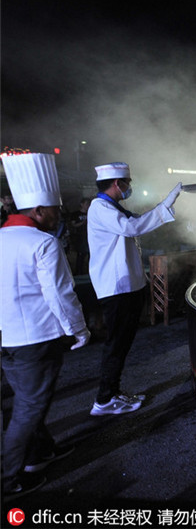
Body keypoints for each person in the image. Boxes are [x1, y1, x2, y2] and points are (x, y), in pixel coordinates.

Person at [0, 153, 91, 498]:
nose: (60, 214)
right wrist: (79, 330)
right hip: (35, 339)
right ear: (38, 211)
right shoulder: (43, 242)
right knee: (27, 408)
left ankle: (41, 453)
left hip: (8, 338)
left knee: (28, 400)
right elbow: (60, 294)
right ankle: (9, 480)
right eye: (55, 208)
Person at [87, 162, 182, 415]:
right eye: (128, 182)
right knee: (116, 344)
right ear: (118, 184)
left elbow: (135, 223)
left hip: (125, 287)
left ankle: (113, 393)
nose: (130, 187)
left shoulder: (112, 208)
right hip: (117, 289)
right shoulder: (101, 208)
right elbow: (133, 227)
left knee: (121, 343)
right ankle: (105, 399)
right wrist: (165, 206)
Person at [70, 197, 91, 275]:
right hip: (80, 237)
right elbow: (73, 225)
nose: (88, 206)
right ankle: (79, 272)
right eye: (86, 204)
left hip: (89, 237)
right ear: (82, 204)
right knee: (81, 255)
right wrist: (83, 223)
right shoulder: (76, 214)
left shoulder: (91, 213)